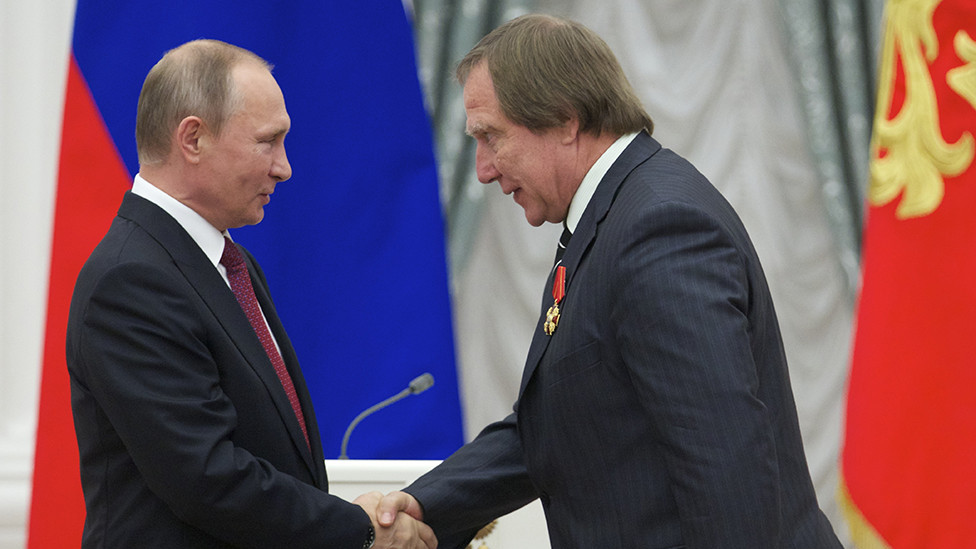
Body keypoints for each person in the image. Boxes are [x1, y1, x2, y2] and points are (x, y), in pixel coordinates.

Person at [375, 14, 843, 548]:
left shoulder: (659, 230)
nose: (481, 169)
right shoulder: (612, 216)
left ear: (565, 120)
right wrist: (424, 502)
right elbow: (557, 423)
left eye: (491, 137)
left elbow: (726, 467)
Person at [65, 39, 435, 549]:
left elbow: (270, 454)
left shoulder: (225, 261)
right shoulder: (130, 281)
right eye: (268, 141)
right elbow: (208, 478)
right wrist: (360, 530)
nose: (284, 167)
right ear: (192, 139)